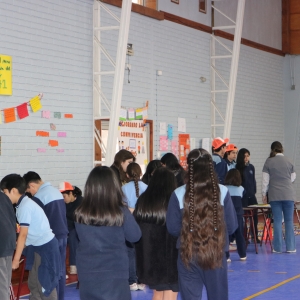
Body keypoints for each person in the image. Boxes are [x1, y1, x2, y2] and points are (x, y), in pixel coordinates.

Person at [166, 148, 237, 300]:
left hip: (188, 254)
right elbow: (231, 226)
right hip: (215, 253)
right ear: (211, 168)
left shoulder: (178, 194)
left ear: (188, 168)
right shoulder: (222, 192)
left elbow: (172, 228)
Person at [74, 166, 141, 300]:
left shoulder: (80, 212)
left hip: (87, 271)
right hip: (115, 271)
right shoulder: (120, 212)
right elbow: (135, 236)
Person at [1, 174, 61, 300]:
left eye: (4, 192)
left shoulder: (25, 206)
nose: (3, 196)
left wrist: (16, 260)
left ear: (14, 190)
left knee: (45, 284)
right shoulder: (21, 205)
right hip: (35, 247)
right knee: (34, 283)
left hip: (46, 248)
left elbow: (23, 234)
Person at [134, 167, 178, 300]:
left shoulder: (143, 200)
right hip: (171, 259)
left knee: (157, 293)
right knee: (171, 291)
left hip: (149, 259)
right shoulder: (173, 199)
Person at [23, 171, 68, 300]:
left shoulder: (38, 198)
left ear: (31, 186)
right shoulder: (56, 192)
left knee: (50, 274)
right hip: (63, 236)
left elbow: (35, 223)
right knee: (59, 272)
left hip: (49, 241)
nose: (30, 194)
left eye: (29, 191)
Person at [262, 141, 296, 253]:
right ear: (282, 149)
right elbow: (293, 177)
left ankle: (277, 248)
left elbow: (265, 181)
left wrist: (264, 194)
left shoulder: (268, 161)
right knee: (289, 221)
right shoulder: (289, 160)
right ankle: (291, 247)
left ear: (272, 149)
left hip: (275, 195)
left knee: (277, 220)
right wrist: (286, 183)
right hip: (288, 194)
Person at [122, 162, 147, 291]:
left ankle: (132, 281)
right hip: (143, 222)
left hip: (129, 222)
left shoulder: (124, 188)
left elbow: (122, 207)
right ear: (141, 173)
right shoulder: (147, 187)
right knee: (142, 251)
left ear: (127, 175)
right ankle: (142, 280)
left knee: (130, 252)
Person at [236, 148, 260, 243]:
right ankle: (244, 237)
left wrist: (254, 191)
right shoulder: (237, 168)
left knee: (255, 217)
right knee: (244, 218)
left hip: (252, 196)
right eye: (244, 156)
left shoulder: (251, 167)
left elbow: (253, 180)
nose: (246, 158)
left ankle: (254, 236)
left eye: (248, 156)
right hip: (243, 197)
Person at [59, 182, 83, 275]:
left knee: (73, 235)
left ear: (71, 194)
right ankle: (61, 269)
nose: (63, 200)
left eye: (64, 196)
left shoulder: (81, 202)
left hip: (78, 228)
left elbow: (78, 220)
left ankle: (73, 264)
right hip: (67, 228)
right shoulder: (63, 204)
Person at [224, 169, 247, 260]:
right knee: (240, 234)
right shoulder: (241, 189)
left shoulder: (224, 188)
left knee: (226, 235)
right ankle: (242, 255)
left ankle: (226, 256)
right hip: (238, 215)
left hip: (227, 215)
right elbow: (244, 201)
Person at [0, 192, 16, 300]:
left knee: (2, 285)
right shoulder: (4, 196)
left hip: (3, 244)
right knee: (5, 283)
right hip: (8, 243)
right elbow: (13, 218)